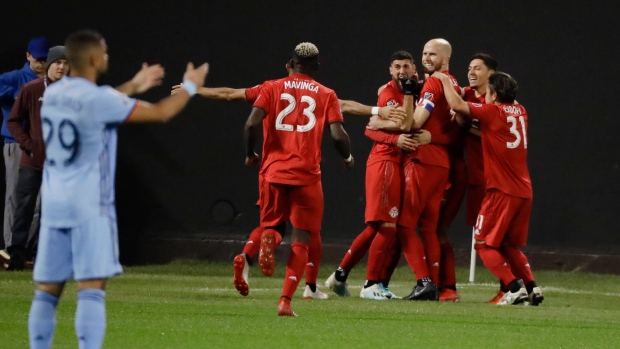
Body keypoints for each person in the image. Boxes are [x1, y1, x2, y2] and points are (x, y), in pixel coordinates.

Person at [27, 29, 208, 349]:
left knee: (47, 291)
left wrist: (135, 85)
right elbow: (162, 112)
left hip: (55, 204)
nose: (107, 57)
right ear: (95, 59)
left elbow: (99, 103)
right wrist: (192, 85)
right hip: (89, 206)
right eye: (105, 53)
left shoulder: (54, 94)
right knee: (91, 289)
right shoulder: (100, 100)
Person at [244, 42, 352, 316]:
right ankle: (285, 301)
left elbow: (251, 123)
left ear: (289, 64)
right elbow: (338, 135)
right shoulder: (326, 93)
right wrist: (348, 157)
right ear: (316, 67)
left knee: (271, 225)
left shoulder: (271, 87)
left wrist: (250, 153)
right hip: (306, 174)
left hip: (273, 170)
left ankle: (269, 239)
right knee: (301, 240)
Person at [433, 70, 544, 306]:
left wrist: (442, 78)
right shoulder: (521, 111)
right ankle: (532, 287)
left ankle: (513, 288)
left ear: (493, 94)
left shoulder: (493, 111)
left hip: (501, 190)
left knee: (483, 243)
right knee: (507, 244)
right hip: (524, 190)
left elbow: (457, 104)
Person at [325, 51, 417, 300]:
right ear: (390, 70)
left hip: (394, 163)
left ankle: (340, 276)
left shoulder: (413, 90)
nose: (401, 71)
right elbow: (371, 130)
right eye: (396, 66)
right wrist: (395, 137)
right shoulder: (388, 94)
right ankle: (370, 285)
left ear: (413, 69)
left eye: (405, 66)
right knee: (387, 227)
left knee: (375, 226)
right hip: (385, 161)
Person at [5, 46, 69, 270]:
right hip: (32, 161)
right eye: (57, 62)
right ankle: (16, 255)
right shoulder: (31, 89)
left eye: (65, 63)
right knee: (24, 207)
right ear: (50, 64)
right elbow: (13, 121)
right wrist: (29, 145)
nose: (61, 67)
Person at [0, 37, 50, 257]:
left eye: (46, 59)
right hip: (17, 143)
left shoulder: (53, 81)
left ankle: (25, 249)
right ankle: (12, 246)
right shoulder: (15, 77)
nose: (42, 63)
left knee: (39, 200)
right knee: (15, 196)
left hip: (42, 146)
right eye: (38, 58)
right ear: (28, 56)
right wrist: (16, 94)